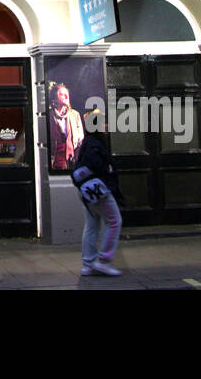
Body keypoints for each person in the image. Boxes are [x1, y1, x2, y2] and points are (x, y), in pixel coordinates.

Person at [71, 130, 123, 277]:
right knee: (114, 221)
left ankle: (88, 265)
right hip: (98, 190)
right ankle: (104, 261)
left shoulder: (87, 142)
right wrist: (108, 169)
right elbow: (97, 164)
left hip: (86, 191)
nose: (107, 128)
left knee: (91, 225)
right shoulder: (95, 144)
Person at [48, 82, 85, 171]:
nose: (66, 97)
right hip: (54, 163)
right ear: (55, 99)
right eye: (62, 95)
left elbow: (81, 138)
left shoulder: (75, 114)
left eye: (66, 94)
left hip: (72, 162)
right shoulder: (49, 115)